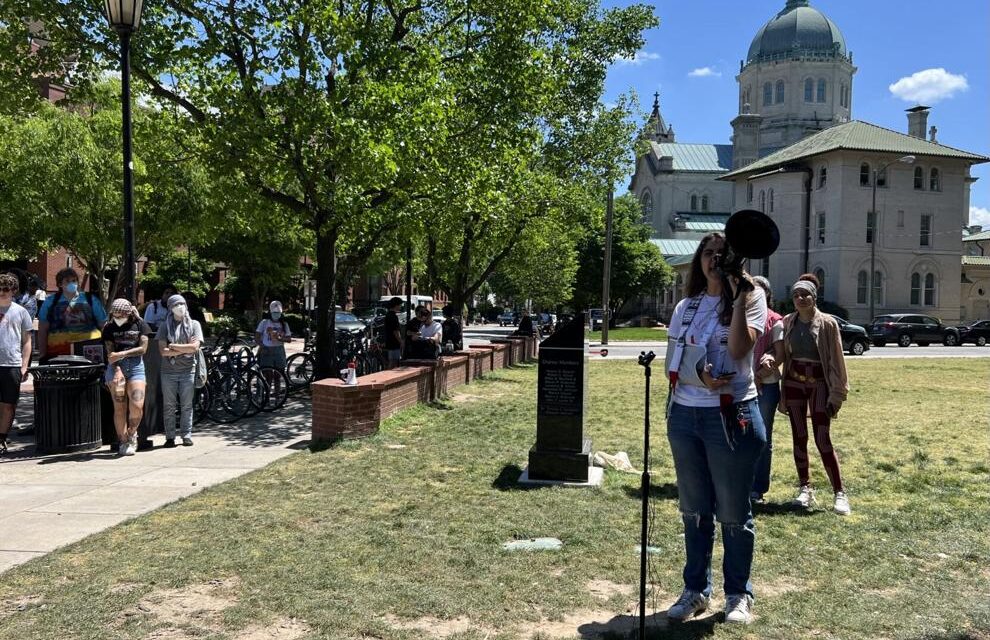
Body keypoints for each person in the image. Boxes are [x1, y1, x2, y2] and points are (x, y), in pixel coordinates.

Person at [663, 232, 767, 625]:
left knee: (734, 512)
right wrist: (699, 374)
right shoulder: (686, 306)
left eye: (721, 254)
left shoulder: (752, 299)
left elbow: (741, 350)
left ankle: (738, 594)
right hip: (685, 415)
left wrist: (739, 297)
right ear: (698, 261)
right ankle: (696, 590)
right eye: (707, 253)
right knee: (694, 509)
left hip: (730, 416)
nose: (713, 260)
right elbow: (672, 362)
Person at [779, 274, 851, 515]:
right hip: (793, 384)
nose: (800, 299)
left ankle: (839, 493)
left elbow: (838, 361)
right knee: (799, 436)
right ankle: (805, 488)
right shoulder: (788, 321)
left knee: (822, 438)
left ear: (814, 297)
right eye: (796, 295)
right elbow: (782, 353)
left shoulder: (828, 324)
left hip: (819, 384)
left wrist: (837, 394)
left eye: (805, 295)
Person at [103, 299, 152, 456]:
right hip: (116, 367)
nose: (118, 318)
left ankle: (132, 434)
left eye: (120, 315)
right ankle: (123, 441)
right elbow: (110, 354)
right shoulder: (109, 327)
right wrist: (117, 369)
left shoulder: (140, 325)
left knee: (137, 405)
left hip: (136, 366)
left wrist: (123, 353)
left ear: (128, 313)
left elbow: (143, 348)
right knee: (120, 406)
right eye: (115, 315)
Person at [750, 276, 784, 503]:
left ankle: (758, 488)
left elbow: (780, 354)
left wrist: (759, 375)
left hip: (766, 387)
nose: (754, 296)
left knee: (762, 438)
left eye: (759, 292)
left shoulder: (775, 321)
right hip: (742, 385)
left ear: (767, 296)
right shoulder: (740, 317)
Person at [157, 294, 204, 447]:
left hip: (188, 370)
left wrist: (173, 346)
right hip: (168, 372)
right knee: (169, 405)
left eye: (182, 304)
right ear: (170, 308)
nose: (180, 307)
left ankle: (186, 435)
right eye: (176, 305)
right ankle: (170, 436)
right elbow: (163, 351)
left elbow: (195, 347)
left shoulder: (194, 324)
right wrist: (185, 350)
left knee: (186, 405)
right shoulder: (165, 326)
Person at [37, 268, 107, 363]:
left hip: (90, 351)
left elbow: (103, 326)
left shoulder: (91, 299)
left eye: (74, 280)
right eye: (67, 281)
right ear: (60, 284)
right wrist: (42, 355)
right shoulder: (50, 302)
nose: (72, 283)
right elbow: (42, 330)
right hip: (58, 352)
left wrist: (107, 351)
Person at [0, 273, 33, 454]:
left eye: (5, 289)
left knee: (9, 404)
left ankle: (2, 437)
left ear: (13, 290)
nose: (2, 292)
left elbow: (27, 341)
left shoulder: (21, 312)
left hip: (11, 363)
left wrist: (24, 365)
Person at [256, 301, 292, 369]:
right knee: (267, 373)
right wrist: (263, 346)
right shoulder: (264, 322)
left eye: (278, 313)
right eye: (274, 313)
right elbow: (257, 337)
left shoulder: (284, 324)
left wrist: (280, 339)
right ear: (270, 312)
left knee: (279, 373)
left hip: (279, 350)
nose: (276, 314)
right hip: (266, 349)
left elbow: (289, 339)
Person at [384, 297, 403, 368]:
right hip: (394, 343)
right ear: (396, 305)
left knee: (391, 361)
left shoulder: (388, 315)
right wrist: (401, 341)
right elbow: (396, 331)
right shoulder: (393, 316)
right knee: (394, 362)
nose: (400, 307)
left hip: (389, 341)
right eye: (400, 305)